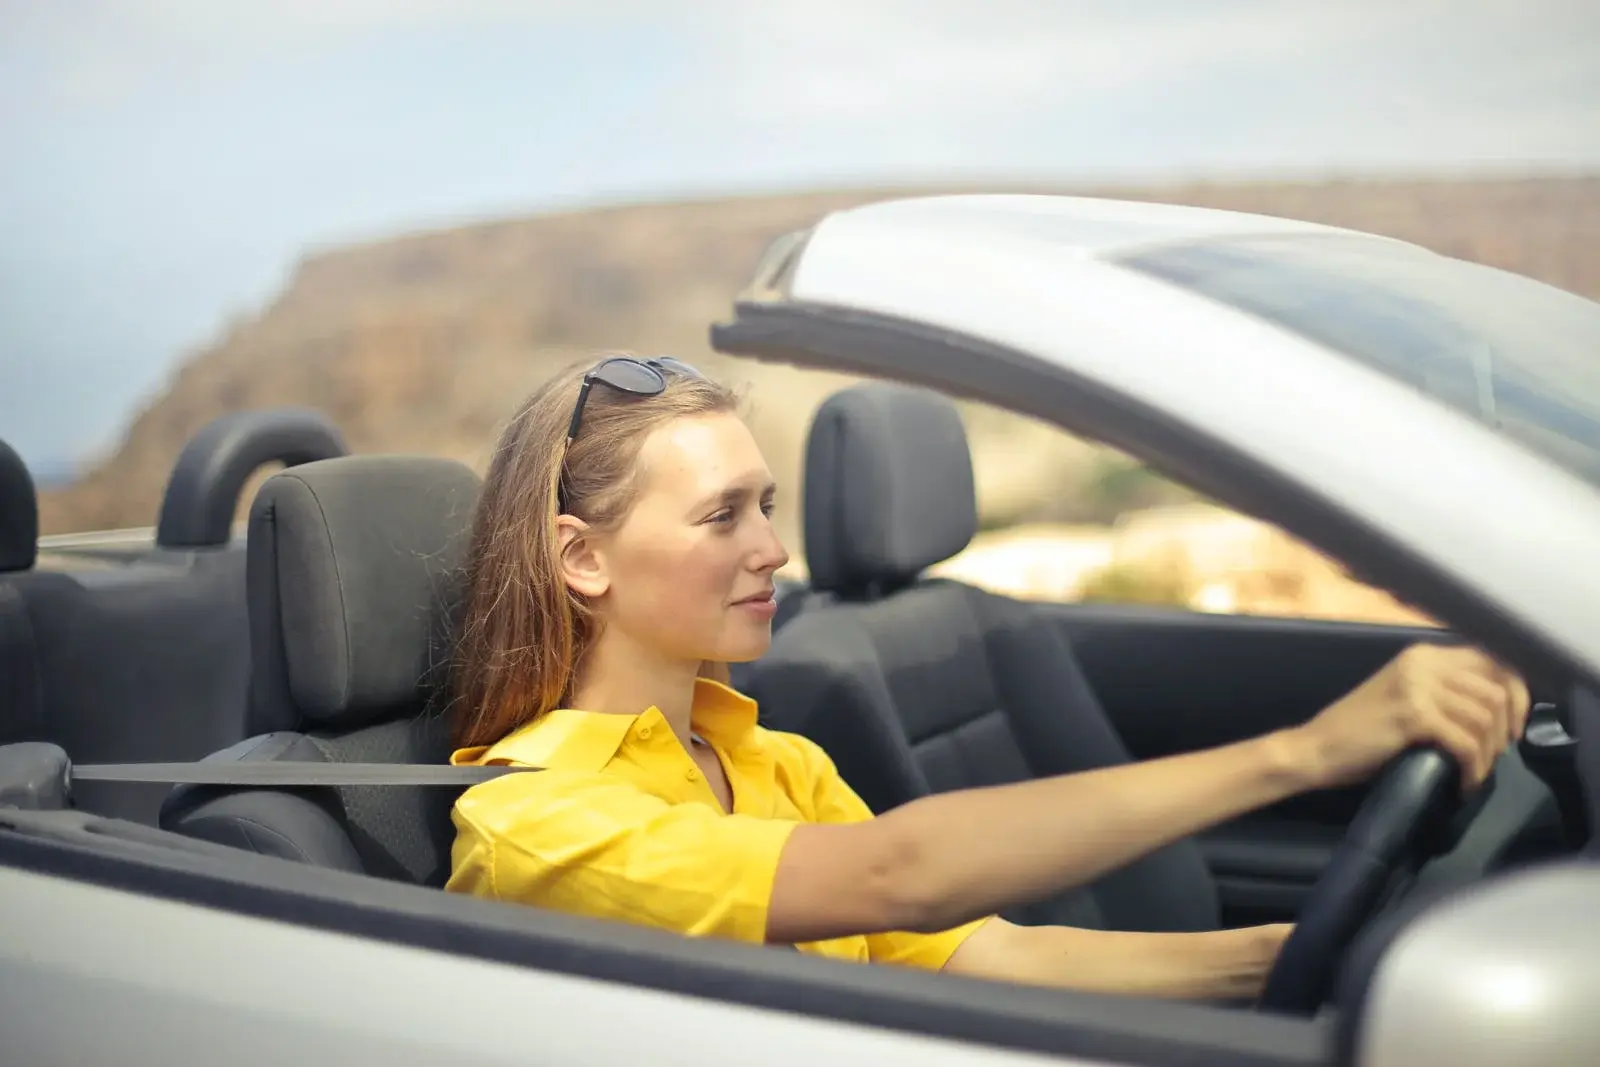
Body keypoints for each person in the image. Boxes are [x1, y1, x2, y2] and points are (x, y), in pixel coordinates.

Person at [443, 353, 1529, 1000]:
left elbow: (987, 955)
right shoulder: (538, 820)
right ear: (581, 555)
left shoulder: (772, 760)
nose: (772, 548)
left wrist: (1311, 957)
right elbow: (894, 875)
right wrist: (1299, 753)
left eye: (766, 504)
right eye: (721, 515)